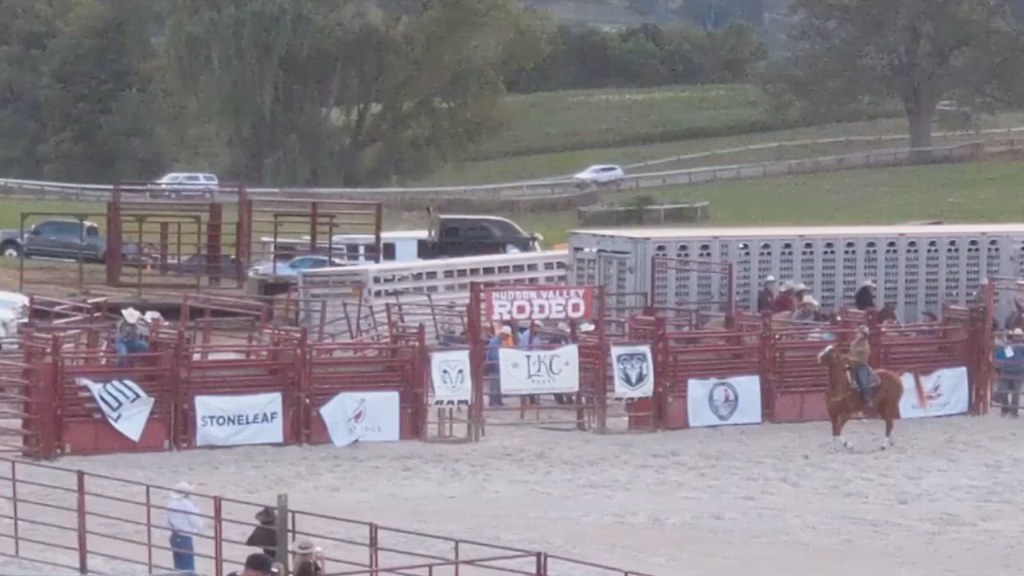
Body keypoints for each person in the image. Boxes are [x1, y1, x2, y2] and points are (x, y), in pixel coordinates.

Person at [166, 481, 203, 575]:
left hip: (174, 535)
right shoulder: (188, 506)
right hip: (185, 537)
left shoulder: (171, 504)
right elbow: (196, 523)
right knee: (188, 568)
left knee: (178, 566)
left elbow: (167, 523)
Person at [995, 328, 1024, 418]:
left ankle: (1013, 412)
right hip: (1008, 371)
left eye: (1018, 336)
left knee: (1015, 393)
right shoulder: (1010, 346)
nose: (1017, 338)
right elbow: (1003, 356)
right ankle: (1006, 409)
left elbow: (1002, 356)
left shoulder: (1019, 347)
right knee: (1004, 392)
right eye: (1016, 336)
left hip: (1017, 372)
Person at [848, 325, 875, 404]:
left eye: (859, 333)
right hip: (852, 366)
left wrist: (850, 359)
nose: (857, 334)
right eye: (857, 333)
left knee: (864, 383)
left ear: (864, 335)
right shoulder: (853, 343)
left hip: (861, 366)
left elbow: (863, 360)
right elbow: (851, 353)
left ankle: (869, 399)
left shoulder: (865, 346)